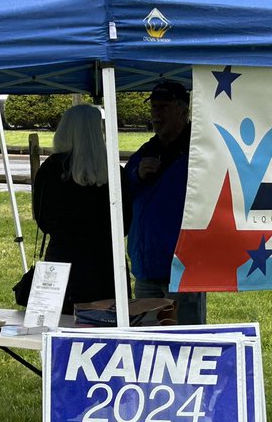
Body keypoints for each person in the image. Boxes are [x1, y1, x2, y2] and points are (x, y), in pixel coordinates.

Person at [32, 104, 131, 313]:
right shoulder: (113, 171)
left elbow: (42, 218)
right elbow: (126, 222)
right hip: (106, 263)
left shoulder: (50, 169)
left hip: (61, 260)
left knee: (59, 330)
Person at [123, 81, 206, 325]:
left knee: (184, 341)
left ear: (183, 111)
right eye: (154, 108)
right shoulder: (148, 149)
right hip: (146, 267)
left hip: (182, 266)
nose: (156, 115)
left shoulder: (199, 149)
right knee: (147, 346)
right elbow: (123, 189)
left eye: (163, 108)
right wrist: (137, 174)